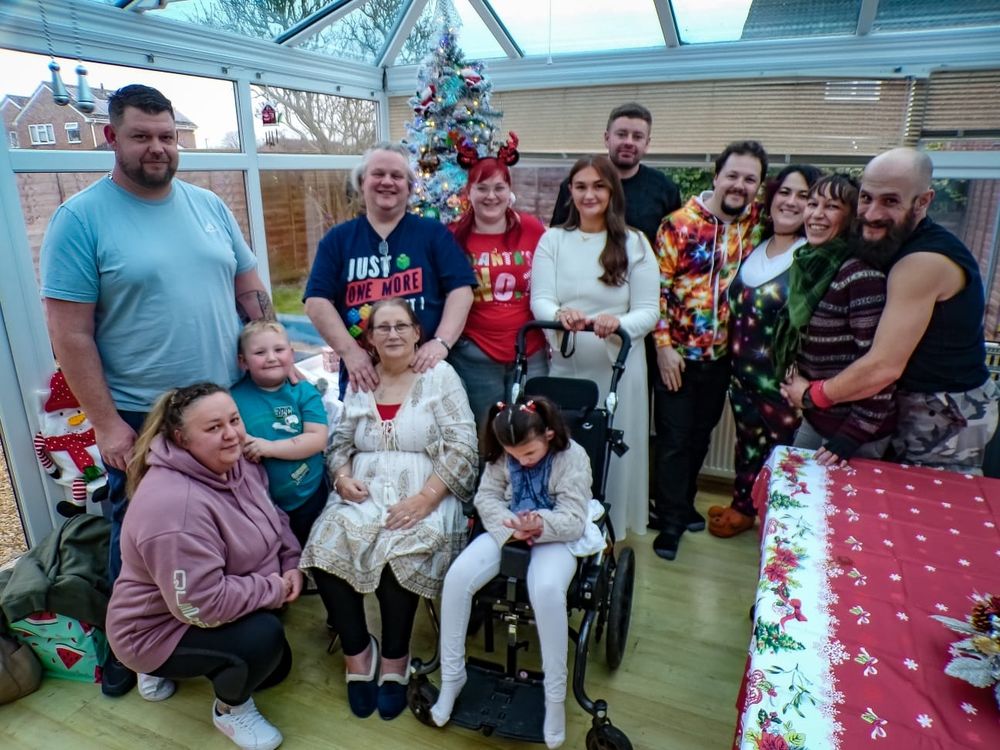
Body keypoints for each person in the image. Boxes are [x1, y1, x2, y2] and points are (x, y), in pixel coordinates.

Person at [39, 84, 274, 696]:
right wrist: (108, 425)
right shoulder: (80, 219)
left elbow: (248, 289)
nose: (157, 148)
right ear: (110, 137)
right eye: (141, 135)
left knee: (229, 513)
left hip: (225, 396)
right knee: (136, 532)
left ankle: (221, 616)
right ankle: (132, 648)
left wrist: (272, 352)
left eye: (167, 135)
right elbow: (70, 335)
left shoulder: (209, 206)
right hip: (145, 414)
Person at [299, 297, 478, 721]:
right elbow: (340, 443)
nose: (393, 334)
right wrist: (342, 478)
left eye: (402, 326)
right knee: (324, 545)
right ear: (371, 338)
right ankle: (359, 652)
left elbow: (464, 448)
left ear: (418, 332)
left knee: (401, 552)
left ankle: (396, 659)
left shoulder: (440, 376)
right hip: (363, 492)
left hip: (427, 492)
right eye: (383, 328)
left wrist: (424, 499)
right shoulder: (361, 380)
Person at [106, 383, 302, 750]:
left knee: (276, 671)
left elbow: (271, 512)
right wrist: (274, 589)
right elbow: (202, 604)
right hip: (154, 629)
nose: (231, 434)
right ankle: (229, 710)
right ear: (181, 438)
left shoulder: (234, 459)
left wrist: (290, 561)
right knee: (263, 639)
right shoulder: (175, 508)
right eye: (213, 428)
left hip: (197, 599)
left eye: (234, 420)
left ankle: (211, 666)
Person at [783, 148, 999, 473]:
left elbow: (882, 367)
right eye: (866, 198)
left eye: (891, 201)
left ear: (923, 201)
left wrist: (813, 395)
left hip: (944, 415)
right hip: (901, 408)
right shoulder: (887, 244)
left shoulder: (921, 261)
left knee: (927, 515)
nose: (871, 213)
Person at [430, 397, 594, 749]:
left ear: (549, 434)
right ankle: (452, 676)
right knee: (457, 578)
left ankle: (553, 699)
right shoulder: (504, 454)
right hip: (508, 526)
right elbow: (486, 497)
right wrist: (510, 526)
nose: (521, 460)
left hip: (555, 534)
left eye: (529, 454)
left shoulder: (573, 457)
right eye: (514, 455)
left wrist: (539, 524)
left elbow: (574, 518)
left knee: (548, 590)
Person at [531, 155, 660, 539]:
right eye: (581, 186)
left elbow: (649, 311)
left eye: (599, 186)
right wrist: (559, 314)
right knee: (566, 446)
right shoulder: (552, 240)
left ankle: (609, 529)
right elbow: (540, 300)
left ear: (612, 192)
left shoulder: (634, 242)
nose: (590, 194)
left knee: (612, 450)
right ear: (570, 192)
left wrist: (617, 323)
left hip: (619, 368)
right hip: (569, 365)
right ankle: (564, 525)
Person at [650, 140, 767, 561]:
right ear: (716, 176)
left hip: (722, 359)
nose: (739, 185)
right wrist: (663, 347)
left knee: (700, 437)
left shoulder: (756, 224)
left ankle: (682, 504)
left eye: (750, 179)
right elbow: (656, 290)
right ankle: (668, 522)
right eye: (732, 175)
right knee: (674, 440)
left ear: (758, 186)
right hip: (677, 356)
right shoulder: (678, 225)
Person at [304, 141, 476, 395]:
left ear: (409, 187)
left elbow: (462, 290)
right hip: (364, 379)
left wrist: (441, 343)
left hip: (424, 377)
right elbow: (316, 302)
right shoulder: (338, 240)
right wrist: (351, 353)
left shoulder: (433, 234)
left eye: (397, 176)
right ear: (362, 182)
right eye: (378, 174)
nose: (387, 181)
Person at [708, 165, 821, 538]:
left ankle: (781, 533)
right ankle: (743, 508)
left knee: (785, 461)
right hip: (741, 380)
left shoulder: (814, 259)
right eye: (784, 192)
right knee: (747, 447)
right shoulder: (754, 245)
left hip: (784, 390)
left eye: (803, 196)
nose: (791, 202)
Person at [774, 175, 895, 464]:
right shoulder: (808, 265)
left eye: (831, 207)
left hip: (856, 433)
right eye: (812, 203)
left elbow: (880, 372)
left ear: (853, 217)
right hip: (817, 418)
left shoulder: (860, 276)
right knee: (793, 498)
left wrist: (849, 439)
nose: (816, 214)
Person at [449, 150, 549, 428]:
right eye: (481, 188)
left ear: (509, 190)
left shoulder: (531, 228)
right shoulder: (453, 235)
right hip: (475, 356)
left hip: (530, 351)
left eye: (498, 188)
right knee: (487, 435)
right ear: (469, 191)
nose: (490, 196)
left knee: (533, 432)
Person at [231, 321, 328, 547]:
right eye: (259, 352)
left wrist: (269, 448)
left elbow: (317, 438)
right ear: (243, 361)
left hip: (310, 494)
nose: (271, 357)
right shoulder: (233, 398)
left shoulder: (304, 392)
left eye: (279, 350)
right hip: (260, 503)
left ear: (292, 354)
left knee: (313, 549)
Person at [550, 102, 681, 246]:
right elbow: (557, 239)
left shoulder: (666, 189)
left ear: (647, 143)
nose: (629, 142)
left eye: (637, 137)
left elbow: (671, 249)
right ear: (607, 138)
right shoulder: (578, 186)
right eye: (621, 134)